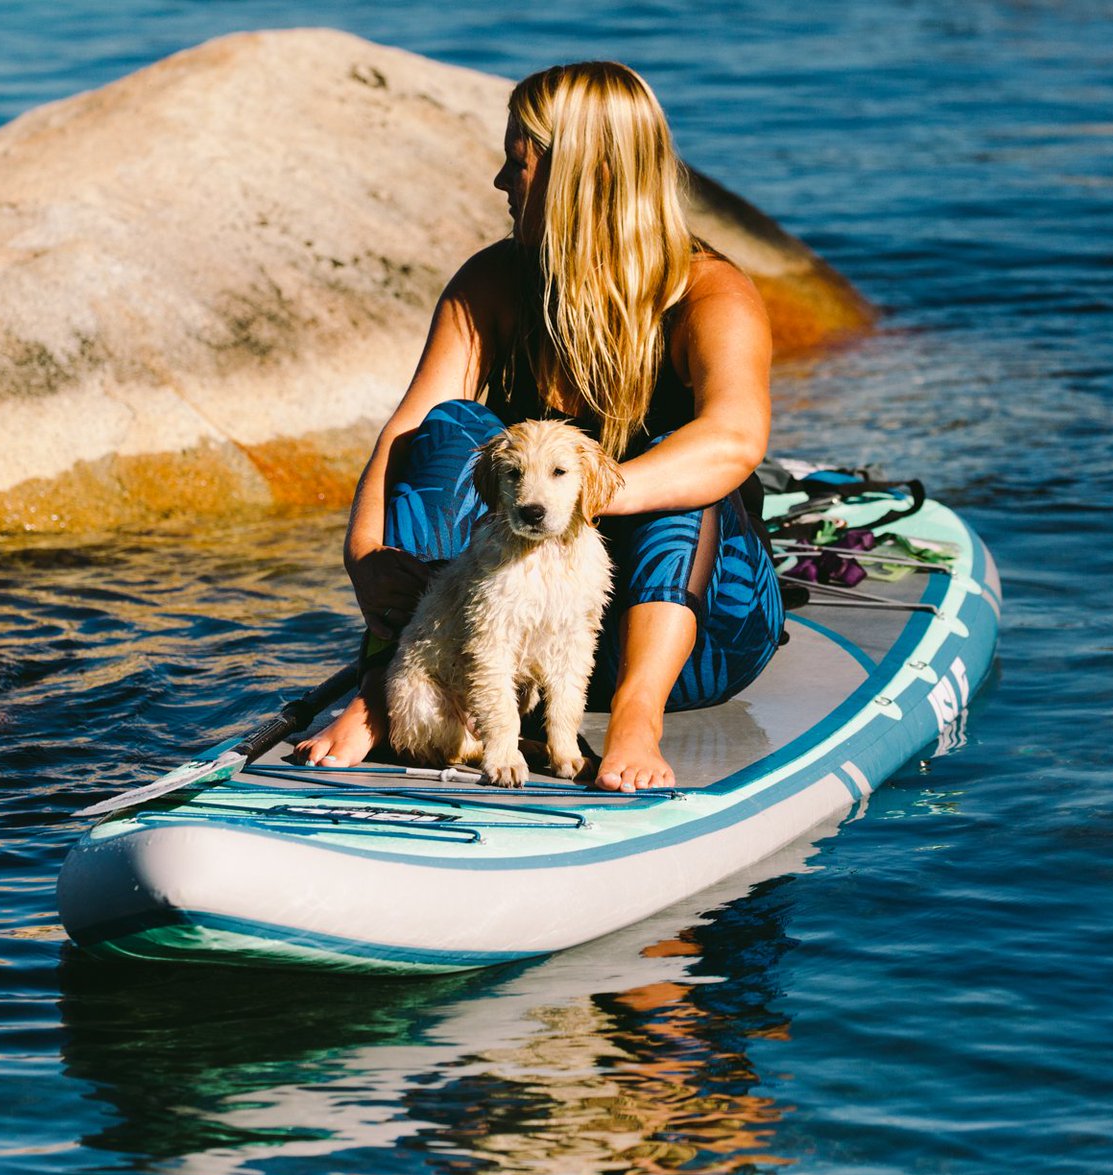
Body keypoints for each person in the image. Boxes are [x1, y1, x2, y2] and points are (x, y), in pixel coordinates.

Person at [298, 60, 784, 792]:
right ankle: (385, 685)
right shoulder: (494, 284)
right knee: (451, 425)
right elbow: (409, 431)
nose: (500, 182)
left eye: (517, 163)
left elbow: (737, 438)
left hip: (690, 630)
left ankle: (634, 718)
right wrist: (364, 554)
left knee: (688, 472)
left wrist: (587, 492)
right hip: (515, 632)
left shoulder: (708, 293)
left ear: (579, 177)